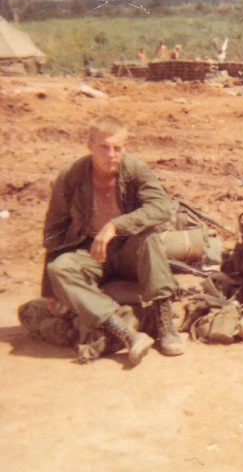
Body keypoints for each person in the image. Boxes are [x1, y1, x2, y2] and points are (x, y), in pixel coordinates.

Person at [42, 116, 184, 365]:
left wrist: (116, 226)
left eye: (117, 148)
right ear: (90, 146)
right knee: (59, 268)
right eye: (104, 148)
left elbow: (161, 208)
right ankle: (123, 331)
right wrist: (49, 288)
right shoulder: (71, 175)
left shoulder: (135, 169)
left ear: (125, 147)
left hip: (129, 251)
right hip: (92, 252)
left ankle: (164, 322)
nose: (111, 155)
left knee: (149, 237)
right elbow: (54, 230)